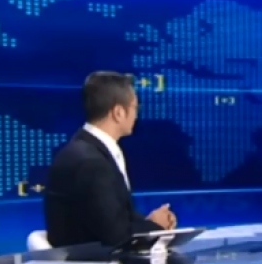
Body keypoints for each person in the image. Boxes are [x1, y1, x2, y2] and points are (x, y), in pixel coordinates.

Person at [44, 71, 177, 247]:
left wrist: (151, 222)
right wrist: (155, 226)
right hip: (94, 261)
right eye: (135, 108)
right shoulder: (92, 163)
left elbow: (111, 219)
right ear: (118, 113)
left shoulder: (83, 149)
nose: (136, 115)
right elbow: (117, 237)